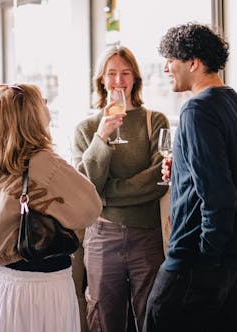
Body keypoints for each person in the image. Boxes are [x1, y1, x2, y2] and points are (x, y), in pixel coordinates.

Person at [143, 23, 237, 332]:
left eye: (171, 59)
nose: (166, 67)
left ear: (193, 63)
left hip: (198, 258)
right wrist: (181, 170)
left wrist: (207, 261)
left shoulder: (197, 110)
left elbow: (220, 195)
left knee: (157, 318)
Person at [0, 83, 102, 332]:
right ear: (29, 116)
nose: (47, 103)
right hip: (36, 285)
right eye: (41, 101)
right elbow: (90, 208)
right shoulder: (44, 163)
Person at [73, 46, 169, 332]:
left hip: (148, 235)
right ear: (101, 80)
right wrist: (102, 136)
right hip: (102, 236)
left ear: (135, 79)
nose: (118, 80)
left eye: (125, 73)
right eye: (111, 73)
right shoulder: (85, 129)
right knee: (103, 317)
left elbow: (157, 181)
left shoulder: (154, 121)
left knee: (151, 314)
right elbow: (85, 185)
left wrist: (106, 194)